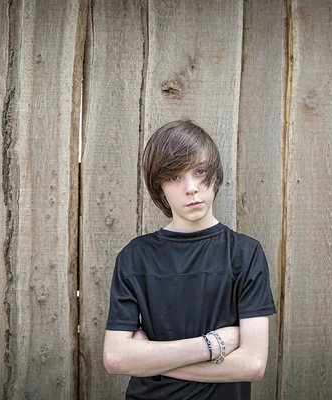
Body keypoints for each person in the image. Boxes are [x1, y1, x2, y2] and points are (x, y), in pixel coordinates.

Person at [103, 120, 277, 399]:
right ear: (159, 187)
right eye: (174, 177)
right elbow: (115, 358)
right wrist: (213, 345)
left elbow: (252, 364)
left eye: (200, 171)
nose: (191, 187)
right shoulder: (135, 257)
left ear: (215, 175)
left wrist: (151, 361)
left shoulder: (245, 254)